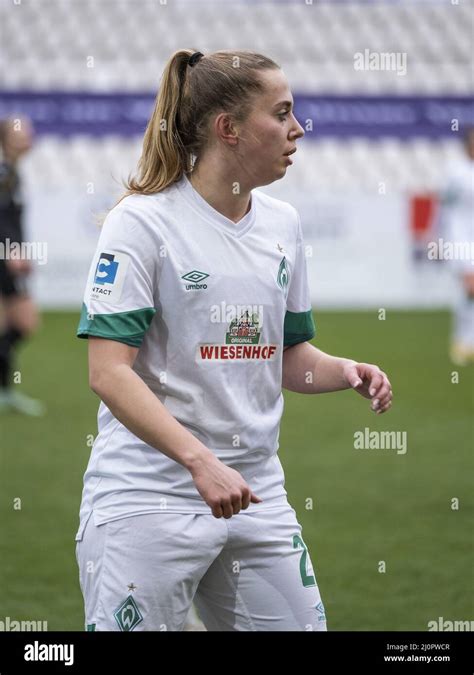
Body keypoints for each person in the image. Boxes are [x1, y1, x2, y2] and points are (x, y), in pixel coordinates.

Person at [75, 49, 393, 632]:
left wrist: (344, 368)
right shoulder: (141, 223)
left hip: (256, 494)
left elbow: (285, 357)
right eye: (282, 113)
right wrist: (199, 462)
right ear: (230, 128)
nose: (298, 129)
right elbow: (108, 372)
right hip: (149, 498)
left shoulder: (283, 224)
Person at [0, 116, 44, 416]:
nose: (29, 137)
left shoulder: (12, 172)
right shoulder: (3, 173)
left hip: (9, 257)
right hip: (4, 258)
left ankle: (5, 390)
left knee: (20, 323)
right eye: (22, 132)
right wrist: (11, 251)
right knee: (19, 321)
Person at [439, 127, 474, 365]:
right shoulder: (457, 173)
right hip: (461, 240)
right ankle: (462, 342)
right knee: (469, 289)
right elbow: (446, 210)